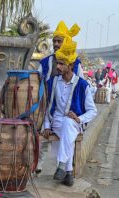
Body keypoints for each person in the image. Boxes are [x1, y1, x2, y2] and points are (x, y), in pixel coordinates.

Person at [42, 37, 97, 186]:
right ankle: (68, 170)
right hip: (57, 121)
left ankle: (61, 165)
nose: (58, 67)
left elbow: (93, 111)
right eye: (57, 63)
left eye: (61, 64)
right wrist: (46, 125)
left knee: (68, 123)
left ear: (71, 65)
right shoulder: (53, 82)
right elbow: (48, 107)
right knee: (65, 125)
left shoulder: (82, 85)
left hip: (75, 123)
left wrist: (79, 119)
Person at [36, 20, 84, 174]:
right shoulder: (45, 63)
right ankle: (38, 168)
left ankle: (65, 169)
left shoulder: (76, 64)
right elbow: (37, 83)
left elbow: (81, 87)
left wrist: (79, 115)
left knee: (66, 132)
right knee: (43, 137)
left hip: (69, 112)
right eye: (54, 41)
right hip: (47, 108)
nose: (56, 44)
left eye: (59, 41)